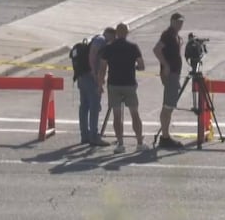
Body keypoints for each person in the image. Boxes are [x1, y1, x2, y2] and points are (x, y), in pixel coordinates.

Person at [97, 22, 148, 153]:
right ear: (127, 33)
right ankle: (139, 142)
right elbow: (141, 66)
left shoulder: (109, 48)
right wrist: (134, 67)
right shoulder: (133, 47)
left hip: (113, 84)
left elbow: (103, 68)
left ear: (116, 33)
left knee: (116, 115)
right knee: (134, 114)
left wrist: (99, 84)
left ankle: (120, 144)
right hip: (129, 83)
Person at [152, 12, 186, 149]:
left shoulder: (175, 36)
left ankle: (165, 135)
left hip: (174, 73)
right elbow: (156, 49)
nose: (179, 24)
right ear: (172, 21)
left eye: (181, 22)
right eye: (177, 21)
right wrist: (165, 65)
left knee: (170, 106)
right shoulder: (168, 35)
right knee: (167, 106)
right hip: (170, 74)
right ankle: (165, 137)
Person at [77, 27, 115, 146]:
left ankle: (85, 135)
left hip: (82, 76)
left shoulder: (95, 39)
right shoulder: (101, 40)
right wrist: (95, 76)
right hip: (90, 78)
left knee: (84, 107)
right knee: (94, 107)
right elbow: (92, 56)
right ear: (110, 35)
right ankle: (94, 136)